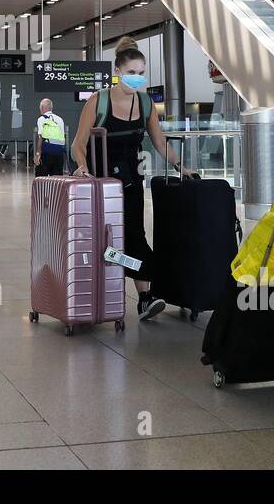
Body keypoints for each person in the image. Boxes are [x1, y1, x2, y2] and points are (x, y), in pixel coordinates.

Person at [70, 36, 191, 321]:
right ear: (117, 72)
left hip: (132, 181)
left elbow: (160, 143)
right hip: (100, 184)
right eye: (131, 73)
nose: (136, 78)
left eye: (140, 73)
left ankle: (145, 296)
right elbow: (78, 142)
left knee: (133, 234)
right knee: (106, 239)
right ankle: (137, 291)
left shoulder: (146, 103)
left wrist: (180, 166)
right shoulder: (98, 102)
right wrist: (83, 167)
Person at [34, 98, 68, 176]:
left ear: (42, 108)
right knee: (57, 180)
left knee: (41, 179)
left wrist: (38, 154)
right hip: (59, 153)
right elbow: (62, 136)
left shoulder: (41, 119)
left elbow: (41, 137)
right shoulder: (60, 119)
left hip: (47, 153)